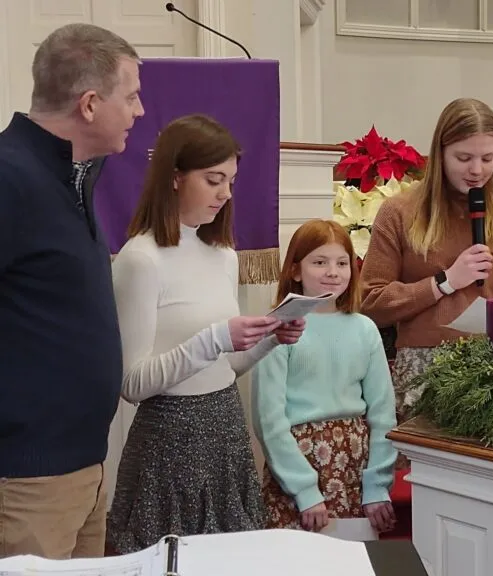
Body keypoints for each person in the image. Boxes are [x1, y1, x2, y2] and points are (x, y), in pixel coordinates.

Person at [106, 115, 305, 553]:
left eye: (231, 181)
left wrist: (271, 337)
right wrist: (214, 337)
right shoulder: (140, 259)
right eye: (214, 180)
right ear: (175, 177)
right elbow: (132, 384)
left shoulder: (222, 254)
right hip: (169, 442)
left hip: (225, 429)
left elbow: (224, 367)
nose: (226, 194)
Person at [0, 23, 144, 559]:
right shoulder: (10, 176)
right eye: (130, 96)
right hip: (25, 479)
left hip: (83, 466)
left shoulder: (71, 177)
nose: (140, 110)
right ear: (89, 104)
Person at [361, 97, 493, 421]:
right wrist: (443, 282)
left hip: (490, 371)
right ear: (441, 153)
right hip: (420, 369)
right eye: (464, 157)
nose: (477, 170)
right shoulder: (399, 213)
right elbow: (370, 302)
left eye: (487, 158)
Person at [252, 219, 397, 534]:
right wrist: (304, 490)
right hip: (299, 465)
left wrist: (377, 484)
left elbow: (383, 413)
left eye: (342, 262)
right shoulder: (280, 328)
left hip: (355, 464)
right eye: (320, 262)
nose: (333, 271)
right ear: (295, 270)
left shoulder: (364, 328)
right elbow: (269, 420)